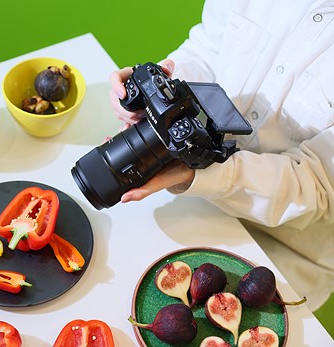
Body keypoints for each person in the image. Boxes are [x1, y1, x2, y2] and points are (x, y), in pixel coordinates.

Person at [109, 0, 334, 314]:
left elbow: (316, 183)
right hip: (190, 195)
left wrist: (201, 175)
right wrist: (159, 92)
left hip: (285, 253)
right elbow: (208, 50)